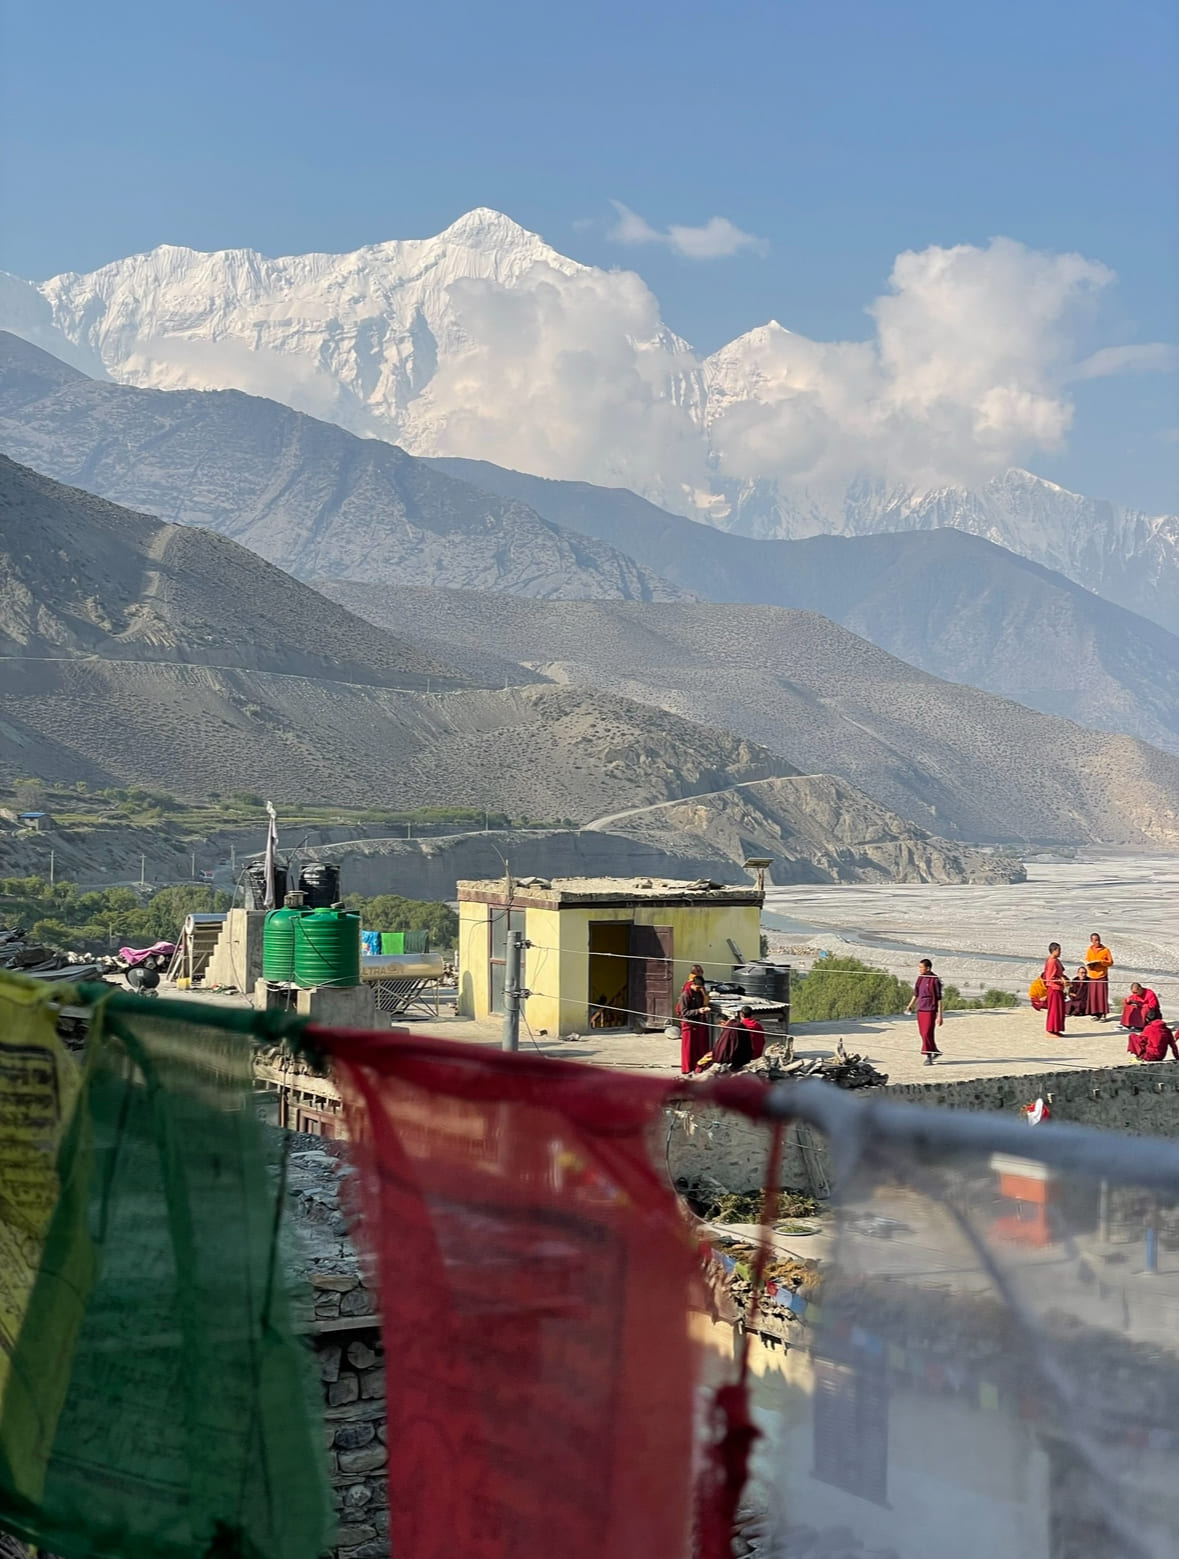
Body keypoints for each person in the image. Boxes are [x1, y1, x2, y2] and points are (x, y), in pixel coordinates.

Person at [905, 958, 943, 1065]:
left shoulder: (934, 980)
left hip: (930, 1009)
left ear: (928, 968)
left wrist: (940, 1016)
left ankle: (928, 1055)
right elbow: (916, 994)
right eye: (919, 967)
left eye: (921, 967)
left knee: (927, 1032)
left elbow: (939, 998)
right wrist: (910, 1006)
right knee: (923, 1033)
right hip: (920, 1009)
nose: (920, 969)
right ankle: (934, 1051)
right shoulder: (920, 978)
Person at [678, 970, 711, 1075]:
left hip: (698, 1023)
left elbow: (703, 1002)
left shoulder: (699, 993)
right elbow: (684, 1012)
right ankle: (687, 1068)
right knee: (688, 1049)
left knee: (698, 1048)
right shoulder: (685, 995)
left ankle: (698, 1067)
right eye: (697, 987)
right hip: (688, 1024)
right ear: (693, 984)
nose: (698, 989)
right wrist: (698, 1011)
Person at [1084, 932, 1114, 1020]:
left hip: (1102, 975)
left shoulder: (1105, 950)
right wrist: (1089, 965)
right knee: (1094, 996)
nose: (1097, 942)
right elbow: (1087, 960)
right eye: (1095, 940)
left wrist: (1101, 962)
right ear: (1091, 941)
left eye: (1098, 940)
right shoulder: (1089, 950)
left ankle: (1103, 1014)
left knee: (1101, 995)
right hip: (1092, 975)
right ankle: (1095, 1013)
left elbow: (1111, 962)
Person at [1043, 943, 1067, 1037]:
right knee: (1054, 1010)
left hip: (1059, 988)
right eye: (1058, 950)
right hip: (1054, 988)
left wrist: (1064, 979)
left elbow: (1060, 973)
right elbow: (1050, 977)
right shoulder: (1051, 961)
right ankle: (1050, 1030)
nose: (1060, 952)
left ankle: (1056, 1029)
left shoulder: (1057, 960)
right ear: (1054, 951)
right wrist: (1061, 981)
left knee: (1059, 1010)